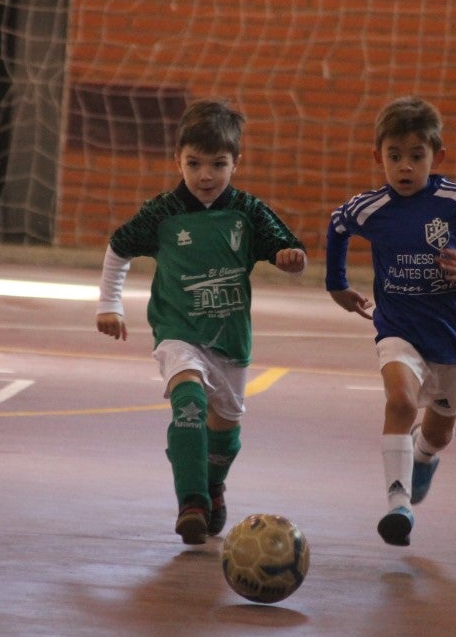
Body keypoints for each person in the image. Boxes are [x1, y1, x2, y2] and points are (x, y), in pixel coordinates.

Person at [96, 98, 307, 545]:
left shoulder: (248, 212)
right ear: (178, 160)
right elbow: (119, 247)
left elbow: (289, 249)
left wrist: (291, 259)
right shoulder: (163, 213)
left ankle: (213, 484)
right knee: (187, 399)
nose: (205, 175)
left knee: (225, 429)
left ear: (237, 162)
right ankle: (191, 503)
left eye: (218, 164)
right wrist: (109, 304)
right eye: (194, 163)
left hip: (230, 340)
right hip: (178, 333)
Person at [325, 96, 456, 547]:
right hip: (397, 329)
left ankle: (423, 456)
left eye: (416, 157)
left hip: (451, 338)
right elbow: (337, 226)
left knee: (439, 433)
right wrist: (337, 285)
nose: (405, 168)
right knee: (401, 402)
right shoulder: (372, 208)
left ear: (437, 156)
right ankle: (397, 504)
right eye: (395, 157)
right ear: (378, 157)